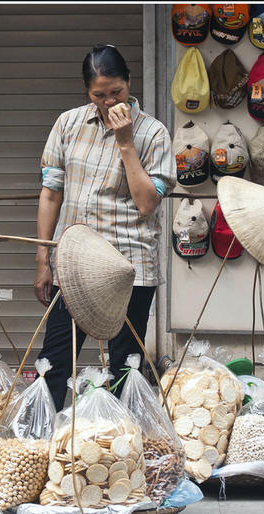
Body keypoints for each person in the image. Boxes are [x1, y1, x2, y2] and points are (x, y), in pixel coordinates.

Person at [34, 44, 177, 410]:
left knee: (124, 366)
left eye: (117, 92)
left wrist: (126, 142)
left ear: (129, 83)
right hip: (74, 266)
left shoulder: (154, 134)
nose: (110, 101)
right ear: (87, 91)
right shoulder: (68, 124)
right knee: (55, 359)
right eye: (100, 95)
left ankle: (116, 451)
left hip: (129, 267)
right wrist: (42, 259)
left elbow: (147, 203)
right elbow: (51, 194)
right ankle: (41, 442)